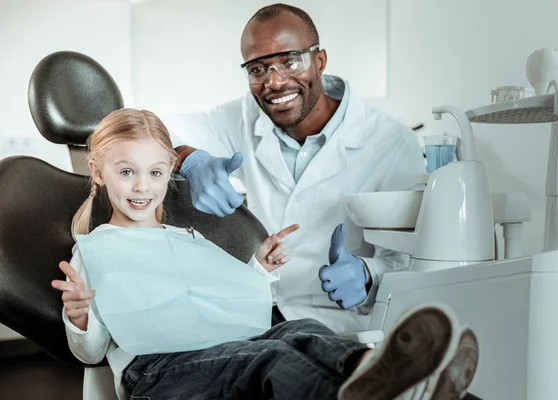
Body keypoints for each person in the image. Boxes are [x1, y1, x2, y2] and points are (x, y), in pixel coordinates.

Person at [51, 108, 478, 400]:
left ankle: (383, 372)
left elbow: (224, 300)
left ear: (168, 173)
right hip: (156, 372)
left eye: (155, 173)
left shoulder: (185, 237)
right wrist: (80, 318)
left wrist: (261, 269)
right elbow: (91, 353)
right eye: (127, 173)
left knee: (302, 331)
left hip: (216, 346)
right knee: (269, 359)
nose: (142, 186)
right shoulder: (97, 248)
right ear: (98, 172)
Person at [165, 3, 426, 333]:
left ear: (319, 61)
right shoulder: (243, 117)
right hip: (254, 309)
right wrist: (188, 158)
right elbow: (154, 130)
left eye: (290, 61)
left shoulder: (391, 142)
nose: (274, 82)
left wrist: (368, 274)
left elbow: (408, 262)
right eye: (258, 69)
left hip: (333, 322)